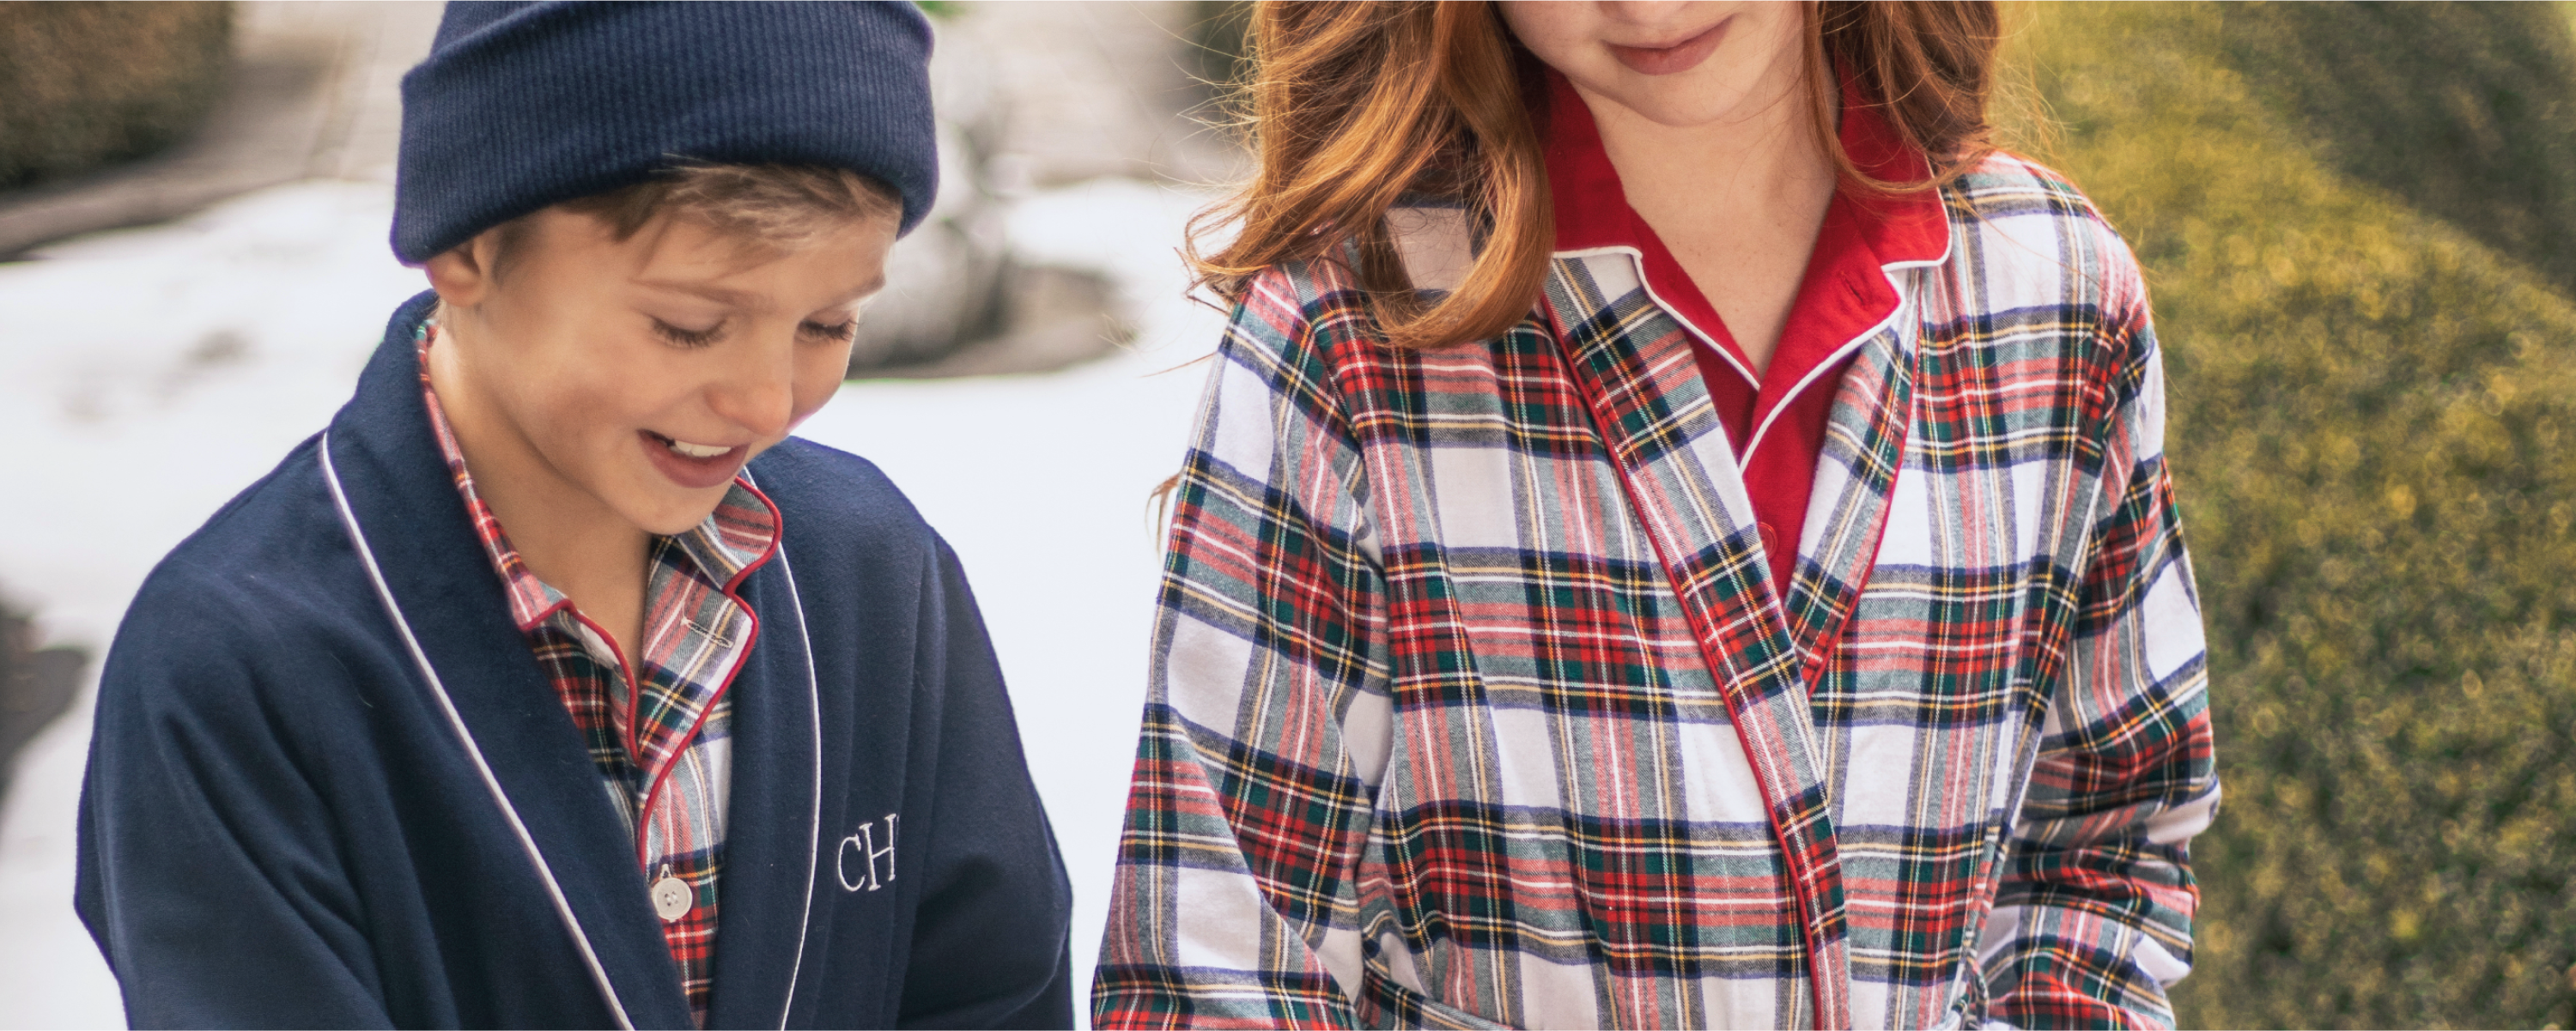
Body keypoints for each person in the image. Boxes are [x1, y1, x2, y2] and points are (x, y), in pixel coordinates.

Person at [1094, 0, 2216, 1028]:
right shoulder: (1356, 327)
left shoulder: (2053, 293)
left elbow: (2106, 841)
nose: (1647, 4)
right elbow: (1214, 946)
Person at [74, 2, 1073, 1028]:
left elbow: (996, 990)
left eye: (828, 323)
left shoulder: (871, 568)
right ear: (465, 243)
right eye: (689, 327)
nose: (766, 403)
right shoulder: (233, 671)